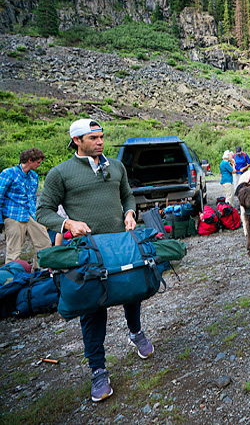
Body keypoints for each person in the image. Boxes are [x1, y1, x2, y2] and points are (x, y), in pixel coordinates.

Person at [37, 118, 154, 402]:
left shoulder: (116, 166)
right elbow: (43, 211)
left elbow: (127, 195)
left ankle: (135, 332)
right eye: (93, 138)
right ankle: (98, 370)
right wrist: (68, 224)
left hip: (119, 244)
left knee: (132, 290)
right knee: (93, 308)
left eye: (102, 136)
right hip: (88, 250)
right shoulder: (60, 173)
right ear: (76, 141)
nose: (100, 142)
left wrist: (129, 213)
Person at [0, 148, 52, 268]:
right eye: (38, 162)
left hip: (31, 214)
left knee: (44, 243)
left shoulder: (34, 176)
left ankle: (39, 274)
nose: (39, 165)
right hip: (13, 215)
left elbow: (33, 198)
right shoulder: (8, 173)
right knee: (14, 251)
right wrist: (0, 221)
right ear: (30, 160)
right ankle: (11, 280)